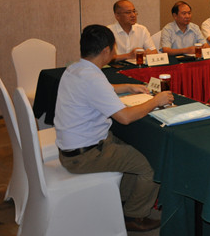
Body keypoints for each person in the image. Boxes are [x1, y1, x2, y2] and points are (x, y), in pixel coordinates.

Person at [54, 25, 174, 232]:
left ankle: (122, 201)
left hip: (76, 147)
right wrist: (156, 101)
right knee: (152, 166)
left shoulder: (76, 68)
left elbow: (102, 90)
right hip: (85, 155)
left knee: (136, 147)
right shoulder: (92, 78)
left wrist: (128, 87)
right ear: (106, 51)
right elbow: (125, 118)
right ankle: (134, 216)